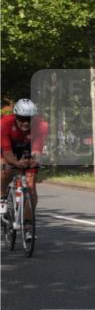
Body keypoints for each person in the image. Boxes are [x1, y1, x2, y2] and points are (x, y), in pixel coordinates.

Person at [1, 99, 48, 233]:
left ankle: (28, 222)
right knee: (4, 171)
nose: (25, 123)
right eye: (21, 119)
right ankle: (2, 197)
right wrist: (15, 163)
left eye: (29, 119)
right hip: (8, 149)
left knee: (31, 184)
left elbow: (37, 151)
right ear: (15, 116)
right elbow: (7, 153)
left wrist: (34, 161)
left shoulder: (41, 126)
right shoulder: (5, 123)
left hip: (26, 149)